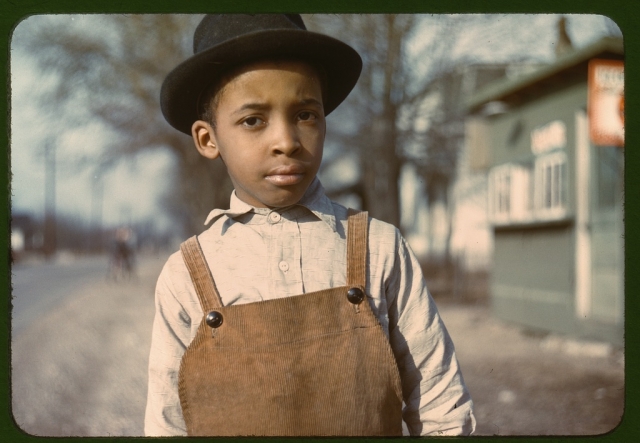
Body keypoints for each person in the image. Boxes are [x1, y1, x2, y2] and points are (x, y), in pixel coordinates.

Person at [145, 14, 475, 437]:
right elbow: (166, 423)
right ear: (209, 139)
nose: (286, 140)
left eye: (305, 114)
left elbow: (441, 404)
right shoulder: (187, 275)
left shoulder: (379, 247)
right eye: (253, 120)